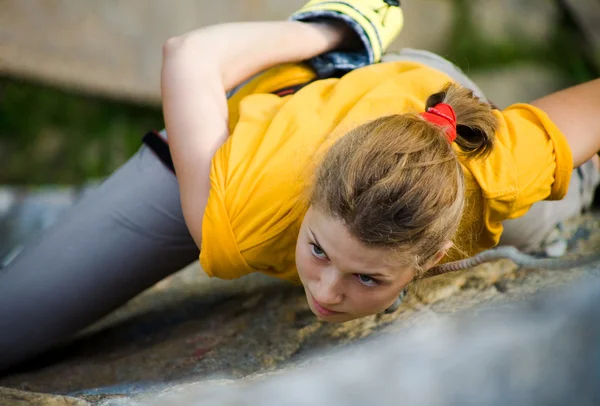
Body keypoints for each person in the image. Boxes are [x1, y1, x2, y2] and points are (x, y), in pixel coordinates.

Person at [0, 0, 598, 372]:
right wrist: (333, 32)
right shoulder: (240, 205)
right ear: (308, 198)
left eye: (368, 277)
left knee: (556, 211)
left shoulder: (497, 169)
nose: (328, 293)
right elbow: (189, 54)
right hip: (299, 94)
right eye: (318, 250)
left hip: (436, 100)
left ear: (432, 259)